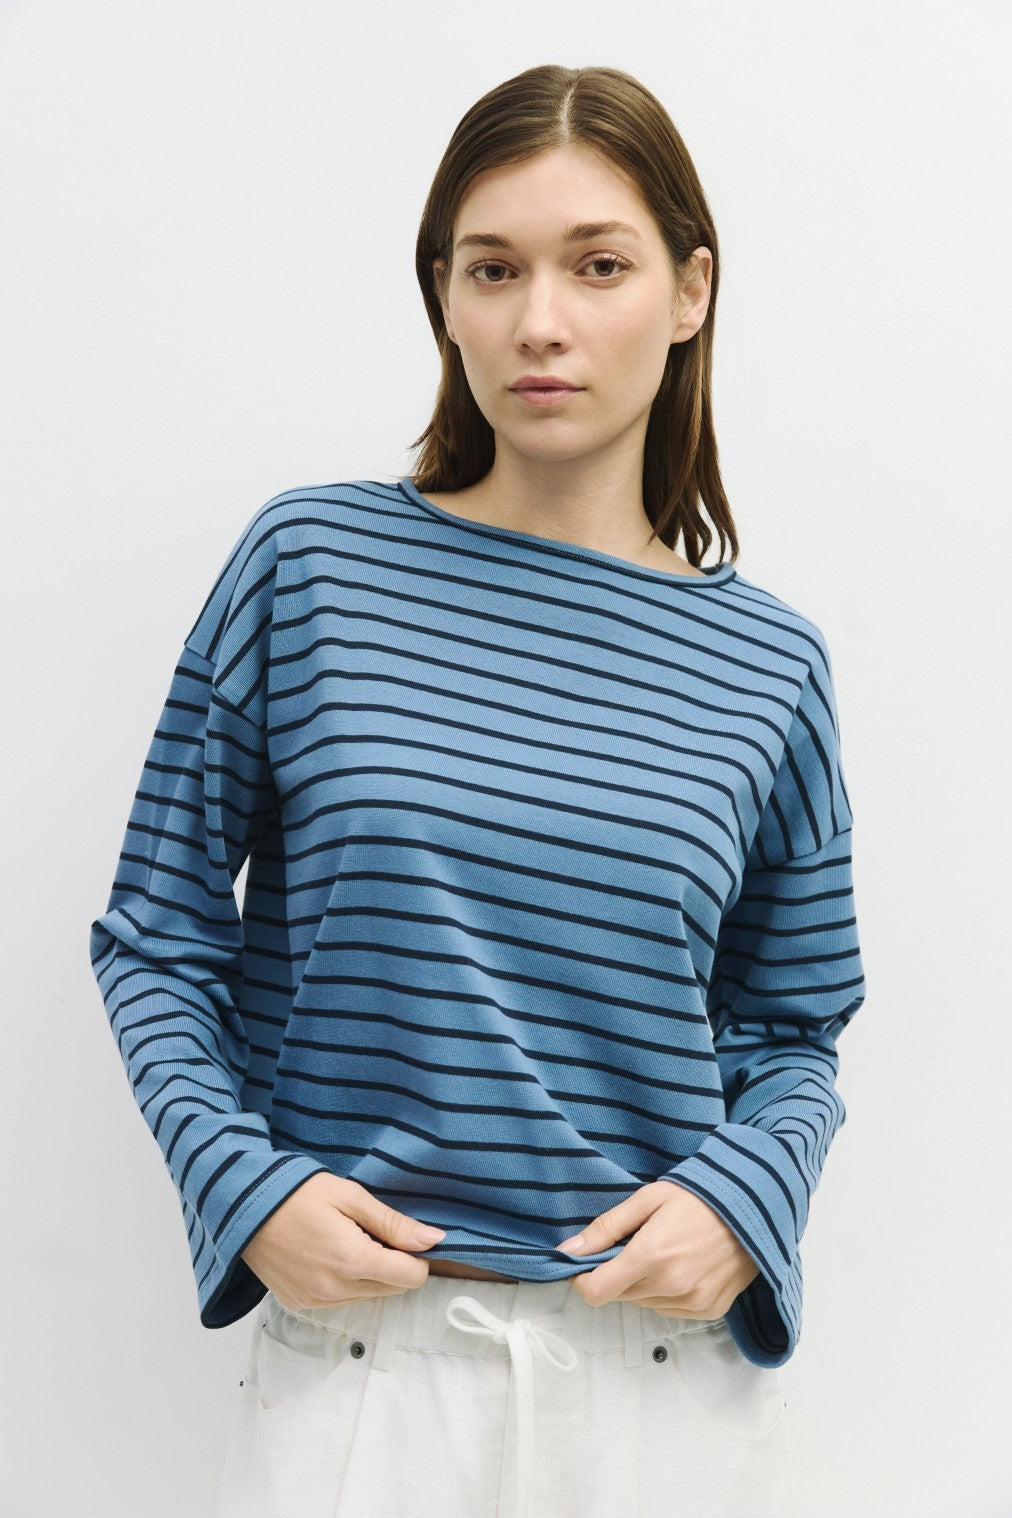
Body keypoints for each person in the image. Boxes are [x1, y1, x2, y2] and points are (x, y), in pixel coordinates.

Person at [89, 62, 866, 1518]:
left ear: (691, 291)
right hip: (364, 1378)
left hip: (661, 1387)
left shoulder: (770, 665)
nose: (540, 322)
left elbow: (792, 1025)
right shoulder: (309, 569)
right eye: (493, 268)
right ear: (443, 296)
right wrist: (245, 1189)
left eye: (599, 265)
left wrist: (744, 1206)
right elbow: (156, 936)